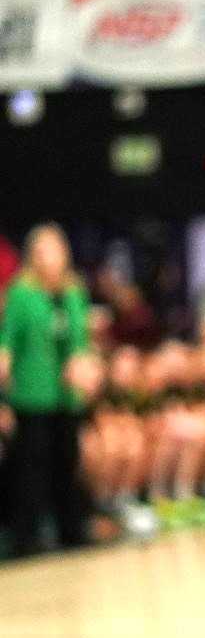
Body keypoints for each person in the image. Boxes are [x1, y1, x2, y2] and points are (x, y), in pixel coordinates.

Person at [0, 223, 101, 557]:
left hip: (67, 393)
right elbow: (7, 341)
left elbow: (81, 341)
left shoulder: (73, 292)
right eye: (44, 250)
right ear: (33, 255)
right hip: (32, 392)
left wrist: (85, 368)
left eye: (56, 249)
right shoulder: (21, 293)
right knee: (31, 465)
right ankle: (27, 536)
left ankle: (71, 529)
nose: (51, 257)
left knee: (67, 460)